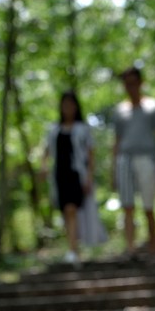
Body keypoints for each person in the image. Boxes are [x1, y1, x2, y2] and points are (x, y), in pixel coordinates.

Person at [111, 66, 155, 259]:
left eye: (133, 83)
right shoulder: (119, 111)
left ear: (140, 82)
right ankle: (130, 249)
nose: (130, 87)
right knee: (127, 206)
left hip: (147, 158)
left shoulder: (153, 107)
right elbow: (116, 141)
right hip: (124, 159)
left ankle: (153, 248)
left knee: (148, 206)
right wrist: (112, 168)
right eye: (126, 84)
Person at [42, 89, 106, 267]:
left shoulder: (83, 129)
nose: (67, 108)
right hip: (59, 176)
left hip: (76, 175)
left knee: (72, 209)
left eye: (71, 105)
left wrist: (89, 178)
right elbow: (46, 151)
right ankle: (73, 249)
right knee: (65, 212)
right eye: (65, 105)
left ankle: (73, 250)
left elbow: (91, 155)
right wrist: (43, 167)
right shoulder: (54, 129)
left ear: (76, 107)